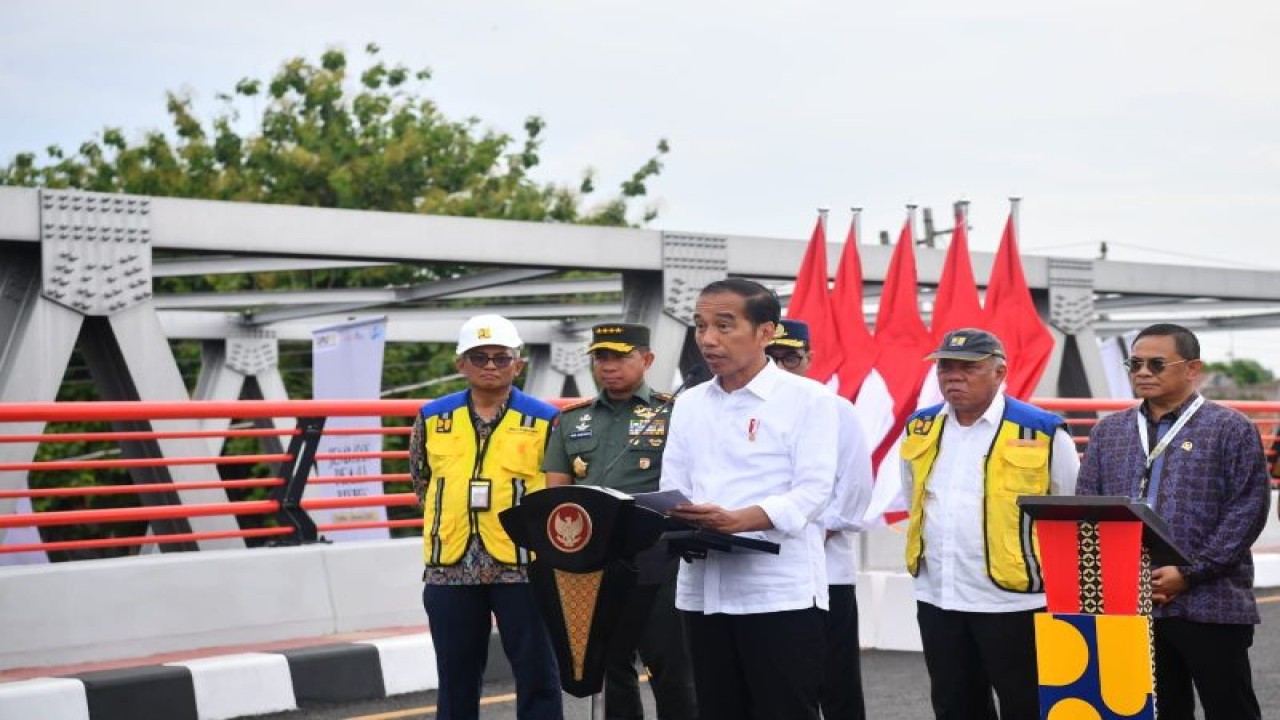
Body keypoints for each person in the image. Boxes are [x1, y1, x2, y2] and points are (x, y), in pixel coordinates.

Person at [660, 278, 840, 720]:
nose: (708, 339)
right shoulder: (690, 403)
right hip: (703, 589)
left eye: (724, 326)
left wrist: (741, 519)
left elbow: (814, 490)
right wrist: (679, 514)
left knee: (784, 710)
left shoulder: (809, 400)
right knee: (718, 709)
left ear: (766, 332)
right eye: (701, 326)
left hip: (779, 593)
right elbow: (673, 483)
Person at [1076, 323, 1270, 720]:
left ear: (1192, 368)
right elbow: (1089, 505)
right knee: (1157, 710)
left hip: (1211, 601)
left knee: (1230, 707)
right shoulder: (1109, 432)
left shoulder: (1230, 428)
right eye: (1136, 363)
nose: (1143, 372)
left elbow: (1247, 509)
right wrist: (1127, 573)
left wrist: (1190, 572)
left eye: (1157, 363)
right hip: (1132, 599)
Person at [900, 327, 1079, 720]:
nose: (953, 376)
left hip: (1014, 599)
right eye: (945, 368)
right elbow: (912, 492)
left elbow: (1070, 510)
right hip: (939, 595)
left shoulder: (1042, 430)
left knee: (1027, 705)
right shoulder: (920, 427)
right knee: (954, 705)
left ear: (999, 373)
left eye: (968, 367)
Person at [409, 313, 563, 720]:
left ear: (519, 363)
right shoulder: (432, 417)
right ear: (461, 363)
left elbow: (556, 489)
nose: (490, 365)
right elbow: (421, 482)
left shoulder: (546, 419)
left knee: (537, 673)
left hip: (522, 564)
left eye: (501, 357)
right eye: (479, 357)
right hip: (450, 566)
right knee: (455, 675)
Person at [543, 322, 697, 720]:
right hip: (595, 562)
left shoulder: (675, 413)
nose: (609, 366)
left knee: (670, 664)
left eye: (620, 357)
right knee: (608, 665)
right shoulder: (570, 420)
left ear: (646, 359)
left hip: (657, 557)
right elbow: (557, 494)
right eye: (601, 357)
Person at [766, 319, 873, 720]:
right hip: (762, 574)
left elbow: (855, 488)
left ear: (809, 359)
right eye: (770, 357)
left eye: (790, 358)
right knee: (778, 684)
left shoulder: (834, 408)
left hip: (824, 572)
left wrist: (803, 530)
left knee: (836, 682)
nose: (780, 367)